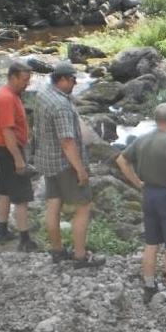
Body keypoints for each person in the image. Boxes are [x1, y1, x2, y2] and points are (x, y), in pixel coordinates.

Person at [116, 103, 166, 306]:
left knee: (151, 244)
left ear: (156, 119)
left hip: (148, 194)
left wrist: (137, 182)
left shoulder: (142, 139)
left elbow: (122, 160)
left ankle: (149, 287)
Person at [32, 61, 103, 268]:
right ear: (61, 79)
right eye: (72, 79)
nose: (75, 83)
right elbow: (67, 141)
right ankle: (80, 256)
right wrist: (80, 170)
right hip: (64, 164)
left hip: (46, 160)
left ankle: (57, 250)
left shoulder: (44, 94)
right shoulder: (61, 105)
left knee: (53, 204)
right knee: (83, 206)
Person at [0, 59, 38, 251]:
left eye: (28, 80)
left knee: (4, 191)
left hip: (1, 151)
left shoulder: (10, 93)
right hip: (9, 152)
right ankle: (25, 240)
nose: (27, 84)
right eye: (24, 80)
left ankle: (2, 231)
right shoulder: (7, 98)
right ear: (12, 77)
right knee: (21, 196)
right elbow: (7, 131)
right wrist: (19, 160)